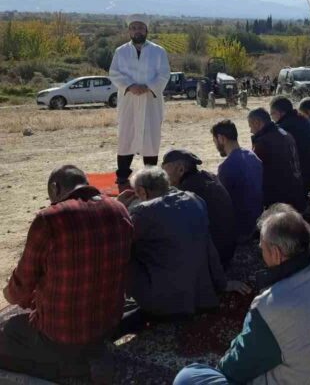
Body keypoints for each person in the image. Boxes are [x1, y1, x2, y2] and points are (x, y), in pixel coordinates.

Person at [173, 206, 310, 385]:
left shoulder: (272, 306)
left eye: (262, 248)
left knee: (188, 377)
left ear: (275, 253)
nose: (261, 253)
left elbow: (235, 369)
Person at [0, 165, 133, 382]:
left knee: (11, 330)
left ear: (55, 187)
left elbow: (22, 284)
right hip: (107, 325)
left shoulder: (50, 219)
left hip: (62, 333)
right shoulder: (119, 210)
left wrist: (11, 294)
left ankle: (69, 371)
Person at [119, 167, 232, 326]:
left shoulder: (144, 211)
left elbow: (118, 241)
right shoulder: (194, 199)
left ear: (143, 192)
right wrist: (222, 283)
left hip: (165, 301)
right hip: (201, 295)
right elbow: (209, 247)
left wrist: (119, 209)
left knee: (123, 252)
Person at [109, 15, 171, 190]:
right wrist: (130, 86)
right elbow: (114, 73)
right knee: (126, 136)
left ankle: (150, 177)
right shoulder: (120, 52)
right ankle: (122, 176)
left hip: (150, 100)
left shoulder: (158, 51)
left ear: (146, 30)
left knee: (150, 138)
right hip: (129, 100)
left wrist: (148, 87)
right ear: (129, 30)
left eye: (141, 27)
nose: (137, 30)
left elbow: (164, 74)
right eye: (134, 27)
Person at [161, 149, 237, 267]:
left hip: (214, 259)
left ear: (181, 169)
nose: (164, 176)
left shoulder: (187, 192)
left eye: (165, 171)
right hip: (227, 251)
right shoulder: (208, 177)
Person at [211, 119, 263, 241]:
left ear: (221, 138)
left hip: (241, 230)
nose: (216, 146)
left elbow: (222, 204)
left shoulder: (226, 167)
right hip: (258, 222)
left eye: (215, 141)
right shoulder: (253, 157)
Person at [248, 107, 305, 211]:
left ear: (257, 122)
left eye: (251, 126)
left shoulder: (263, 142)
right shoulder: (284, 133)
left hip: (279, 201)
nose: (251, 131)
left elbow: (254, 173)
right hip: (296, 194)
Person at [269, 95, 310, 194]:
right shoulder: (303, 119)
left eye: (272, 114)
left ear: (279, 113)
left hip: (300, 179)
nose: (272, 118)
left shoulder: (284, 128)